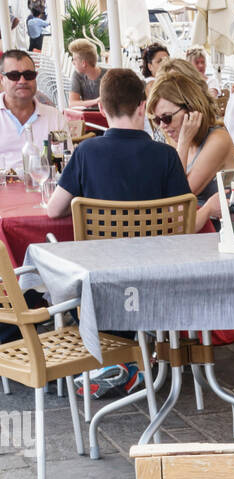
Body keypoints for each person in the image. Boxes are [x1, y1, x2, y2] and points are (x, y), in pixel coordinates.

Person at [45, 69, 195, 398]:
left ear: (103, 108)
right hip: (157, 279)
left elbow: (54, 210)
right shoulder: (165, 156)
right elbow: (180, 216)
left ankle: (114, 359)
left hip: (100, 284)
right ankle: (136, 357)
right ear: (143, 107)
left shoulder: (86, 153)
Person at [148, 63, 234, 208]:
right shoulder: (171, 134)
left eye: (167, 118)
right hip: (186, 224)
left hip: (219, 226)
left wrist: (183, 143)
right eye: (157, 120)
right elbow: (156, 189)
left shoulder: (218, 140)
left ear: (191, 110)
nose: (162, 125)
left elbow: (178, 197)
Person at [0, 49, 63, 156]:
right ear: (2, 79)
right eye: (14, 75)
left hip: (44, 173)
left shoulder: (54, 117)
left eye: (29, 75)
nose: (22, 81)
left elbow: (65, 163)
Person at [69, 39, 106, 104]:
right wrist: (96, 101)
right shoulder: (77, 75)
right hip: (87, 114)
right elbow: (72, 103)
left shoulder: (108, 76)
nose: (73, 62)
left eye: (74, 59)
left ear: (84, 63)